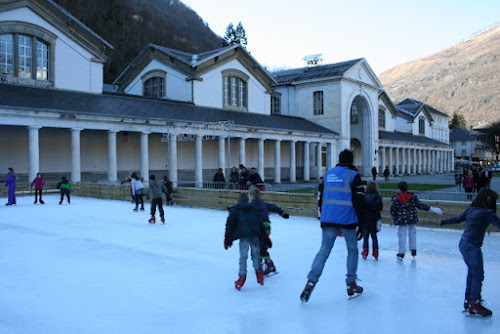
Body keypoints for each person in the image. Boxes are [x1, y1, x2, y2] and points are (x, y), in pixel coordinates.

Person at [300, 149, 366, 303]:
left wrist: (322, 214)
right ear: (351, 161)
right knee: (352, 250)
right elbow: (359, 201)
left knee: (324, 251)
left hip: (328, 218)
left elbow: (321, 196)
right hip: (347, 219)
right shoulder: (353, 175)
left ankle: (310, 282)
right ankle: (351, 283)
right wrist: (361, 224)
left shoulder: (329, 174)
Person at [440, 188, 500, 317]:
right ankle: (475, 303)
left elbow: (458, 219)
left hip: (464, 244)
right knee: (478, 274)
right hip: (472, 247)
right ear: (489, 200)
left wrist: (445, 221)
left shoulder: (472, 209)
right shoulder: (487, 212)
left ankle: (469, 300)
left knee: (473, 272)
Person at [224, 192, 269, 290]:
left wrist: (227, 237)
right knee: (256, 256)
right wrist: (265, 236)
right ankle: (259, 275)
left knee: (243, 258)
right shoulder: (253, 209)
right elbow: (260, 222)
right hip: (254, 235)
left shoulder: (235, 210)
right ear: (248, 200)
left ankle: (241, 278)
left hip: (243, 236)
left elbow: (229, 224)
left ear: (238, 200)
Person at [390, 181, 443, 260]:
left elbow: (393, 209)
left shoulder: (397, 198)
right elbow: (420, 205)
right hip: (411, 217)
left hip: (402, 219)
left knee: (402, 235)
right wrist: (432, 209)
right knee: (412, 233)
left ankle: (401, 252)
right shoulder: (412, 196)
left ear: (399, 189)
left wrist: (393, 218)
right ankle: (413, 249)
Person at [249, 187, 289, 276]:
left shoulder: (251, 205)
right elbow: (274, 207)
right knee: (261, 245)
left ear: (252, 196)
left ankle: (269, 265)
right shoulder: (264, 203)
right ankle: (260, 262)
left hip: (259, 228)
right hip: (267, 228)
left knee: (260, 247)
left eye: (250, 196)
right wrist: (282, 213)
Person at [361, 181, 383, 261]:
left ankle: (365, 251)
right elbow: (380, 208)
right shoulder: (378, 197)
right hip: (375, 217)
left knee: (366, 235)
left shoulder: (364, 196)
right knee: (374, 236)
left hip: (366, 218)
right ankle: (376, 252)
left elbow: (362, 207)